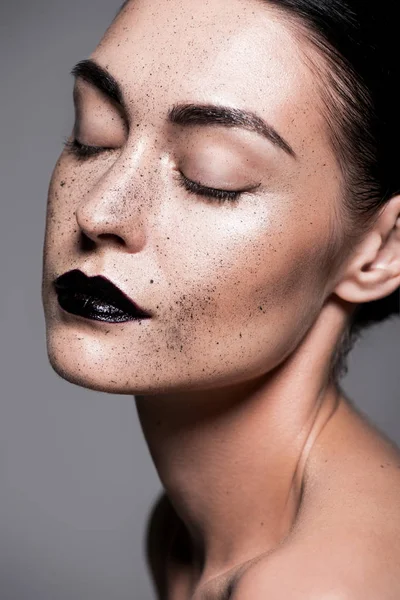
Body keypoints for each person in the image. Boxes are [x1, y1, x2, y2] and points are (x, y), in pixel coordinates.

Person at [41, 0, 400, 597]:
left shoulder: (308, 585)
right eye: (94, 134)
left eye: (212, 175)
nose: (99, 211)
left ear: (383, 249)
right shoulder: (185, 538)